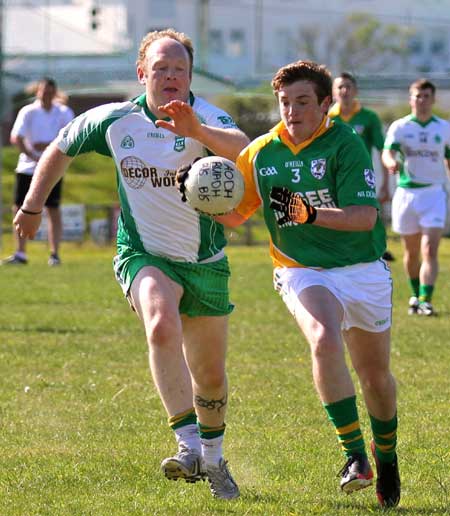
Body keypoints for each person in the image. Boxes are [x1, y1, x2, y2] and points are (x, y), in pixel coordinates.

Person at [13, 28, 249, 500]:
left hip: (205, 260)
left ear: (189, 76)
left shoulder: (206, 117)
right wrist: (33, 206)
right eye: (161, 68)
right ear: (142, 73)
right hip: (144, 254)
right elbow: (60, 147)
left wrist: (197, 133)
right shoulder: (115, 120)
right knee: (161, 325)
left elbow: (245, 149)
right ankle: (186, 447)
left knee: (211, 376)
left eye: (179, 69)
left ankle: (214, 459)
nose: (171, 76)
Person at [206, 60, 400, 507]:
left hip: (361, 268)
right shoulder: (261, 152)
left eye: (303, 102)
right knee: (323, 339)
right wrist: (201, 198)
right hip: (301, 268)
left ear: (327, 104)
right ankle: (355, 455)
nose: (291, 111)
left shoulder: (344, 144)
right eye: (284, 102)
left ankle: (385, 455)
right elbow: (236, 215)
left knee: (375, 378)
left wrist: (309, 212)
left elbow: (364, 218)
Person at [383, 79, 450, 317]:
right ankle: (414, 295)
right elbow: (388, 151)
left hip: (433, 193)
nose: (421, 101)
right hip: (407, 194)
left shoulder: (444, 128)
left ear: (433, 99)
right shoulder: (400, 127)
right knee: (411, 252)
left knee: (429, 249)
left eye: (426, 96)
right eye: (417, 96)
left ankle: (426, 299)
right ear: (410, 99)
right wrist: (390, 162)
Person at [2, 77, 74, 266]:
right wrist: (33, 155)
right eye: (44, 90)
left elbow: (70, 137)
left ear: (55, 92)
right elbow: (16, 137)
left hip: (53, 168)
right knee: (20, 207)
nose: (47, 94)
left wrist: (48, 149)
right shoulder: (28, 111)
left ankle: (55, 254)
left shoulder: (64, 112)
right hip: (27, 167)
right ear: (37, 92)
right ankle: (20, 253)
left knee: (53, 208)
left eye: (51, 91)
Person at [329, 72, 395, 261]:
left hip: (360, 178)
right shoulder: (326, 118)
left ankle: (377, 250)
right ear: (333, 92)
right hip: (331, 177)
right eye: (340, 87)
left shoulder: (368, 117)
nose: (344, 90)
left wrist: (385, 183)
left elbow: (382, 149)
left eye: (348, 86)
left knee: (367, 214)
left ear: (355, 90)